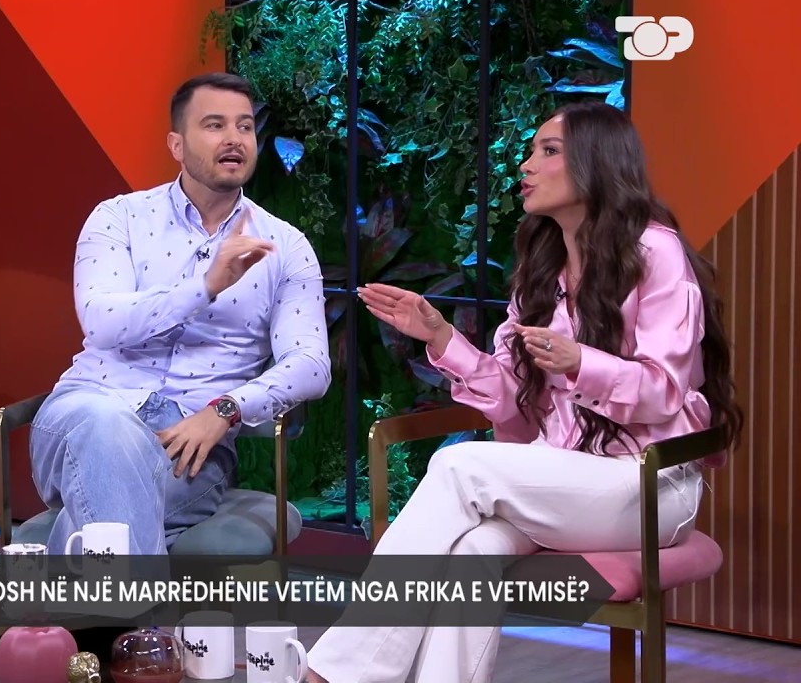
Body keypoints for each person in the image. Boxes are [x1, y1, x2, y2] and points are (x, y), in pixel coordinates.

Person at [303, 100, 743, 683]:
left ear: (596, 162)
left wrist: (581, 362)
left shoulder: (655, 252)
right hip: (565, 478)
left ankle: (335, 673)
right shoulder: (542, 264)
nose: (526, 164)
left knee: (459, 466)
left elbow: (664, 391)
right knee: (472, 554)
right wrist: (440, 335)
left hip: (649, 485)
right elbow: (513, 400)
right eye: (531, 151)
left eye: (548, 151)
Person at [28, 72, 331, 556]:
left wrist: (226, 409)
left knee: (104, 507)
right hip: (87, 408)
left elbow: (311, 365)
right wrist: (205, 287)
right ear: (176, 144)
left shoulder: (286, 246)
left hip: (192, 442)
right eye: (214, 125)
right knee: (107, 427)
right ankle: (138, 608)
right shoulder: (118, 218)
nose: (234, 138)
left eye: (245, 126)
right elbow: (102, 322)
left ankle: (83, 599)